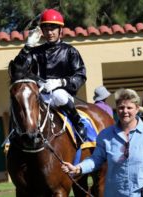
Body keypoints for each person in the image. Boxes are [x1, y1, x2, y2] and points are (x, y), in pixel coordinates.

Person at [61, 88, 143, 197]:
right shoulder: (105, 135)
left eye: (129, 107)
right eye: (121, 107)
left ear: (137, 109)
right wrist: (78, 168)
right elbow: (96, 159)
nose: (125, 111)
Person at [11, 9, 87, 139]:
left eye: (53, 28)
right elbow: (17, 70)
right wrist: (27, 47)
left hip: (62, 93)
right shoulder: (34, 52)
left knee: (59, 95)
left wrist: (61, 82)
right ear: (42, 31)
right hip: (39, 92)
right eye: (46, 29)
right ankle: (14, 135)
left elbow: (80, 75)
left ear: (60, 30)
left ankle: (77, 122)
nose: (50, 32)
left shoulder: (70, 51)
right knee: (22, 99)